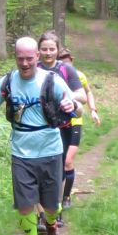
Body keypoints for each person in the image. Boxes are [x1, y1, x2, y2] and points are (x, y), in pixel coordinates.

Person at [0, 35, 77, 235]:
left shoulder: (51, 80)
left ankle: (51, 225)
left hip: (51, 151)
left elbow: (77, 109)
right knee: (24, 206)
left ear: (37, 56)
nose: (24, 63)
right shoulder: (7, 82)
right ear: (15, 57)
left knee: (51, 206)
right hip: (21, 153)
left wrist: (72, 105)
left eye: (29, 59)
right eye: (20, 58)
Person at [37, 32, 101, 208]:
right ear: (38, 51)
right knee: (39, 170)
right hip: (37, 126)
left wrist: (66, 97)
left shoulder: (67, 70)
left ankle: (56, 209)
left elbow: (83, 95)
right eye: (44, 49)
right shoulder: (33, 68)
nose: (48, 53)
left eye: (52, 49)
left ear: (57, 50)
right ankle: (42, 212)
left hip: (63, 126)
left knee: (59, 169)